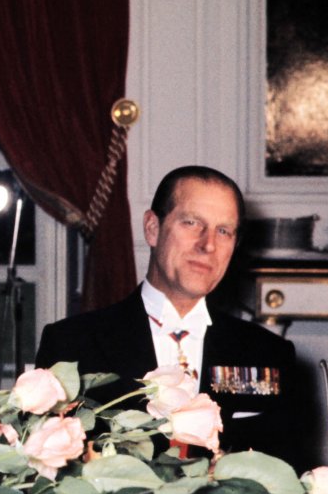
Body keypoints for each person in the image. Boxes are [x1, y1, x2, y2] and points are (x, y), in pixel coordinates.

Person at [35, 165, 308, 468]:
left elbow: (287, 482)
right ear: (152, 228)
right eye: (192, 223)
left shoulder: (269, 354)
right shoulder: (73, 346)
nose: (207, 245)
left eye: (223, 231)